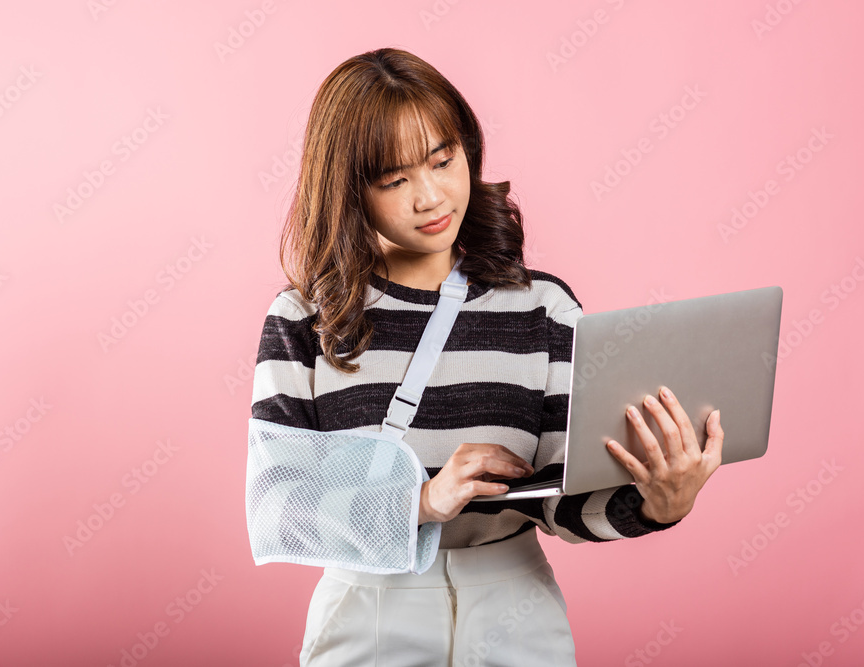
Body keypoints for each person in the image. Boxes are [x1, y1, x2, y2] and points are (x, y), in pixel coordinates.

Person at [248, 47, 724, 666]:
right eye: (394, 180)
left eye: (443, 161)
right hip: (366, 613)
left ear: (467, 150)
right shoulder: (303, 318)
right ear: (348, 190)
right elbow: (280, 509)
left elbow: (561, 499)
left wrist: (660, 503)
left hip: (515, 606)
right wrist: (421, 502)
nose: (430, 197)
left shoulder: (544, 309)